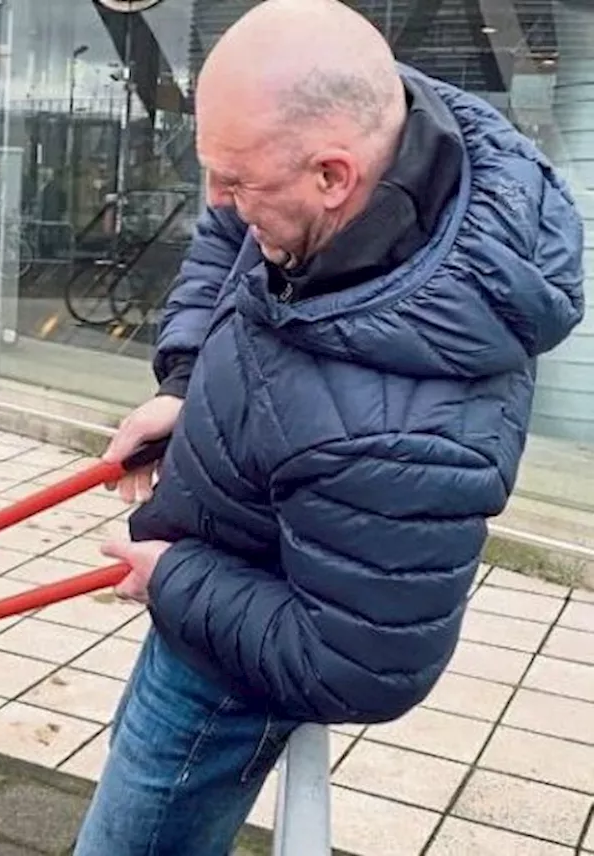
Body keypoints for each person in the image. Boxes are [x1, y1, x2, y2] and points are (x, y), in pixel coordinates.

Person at [77, 1, 585, 853]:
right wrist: (188, 382)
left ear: (334, 177)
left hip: (228, 665)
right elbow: (224, 245)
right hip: (213, 574)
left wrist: (171, 579)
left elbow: (362, 663)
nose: (218, 203)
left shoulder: (415, 435)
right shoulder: (368, 136)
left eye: (238, 184)